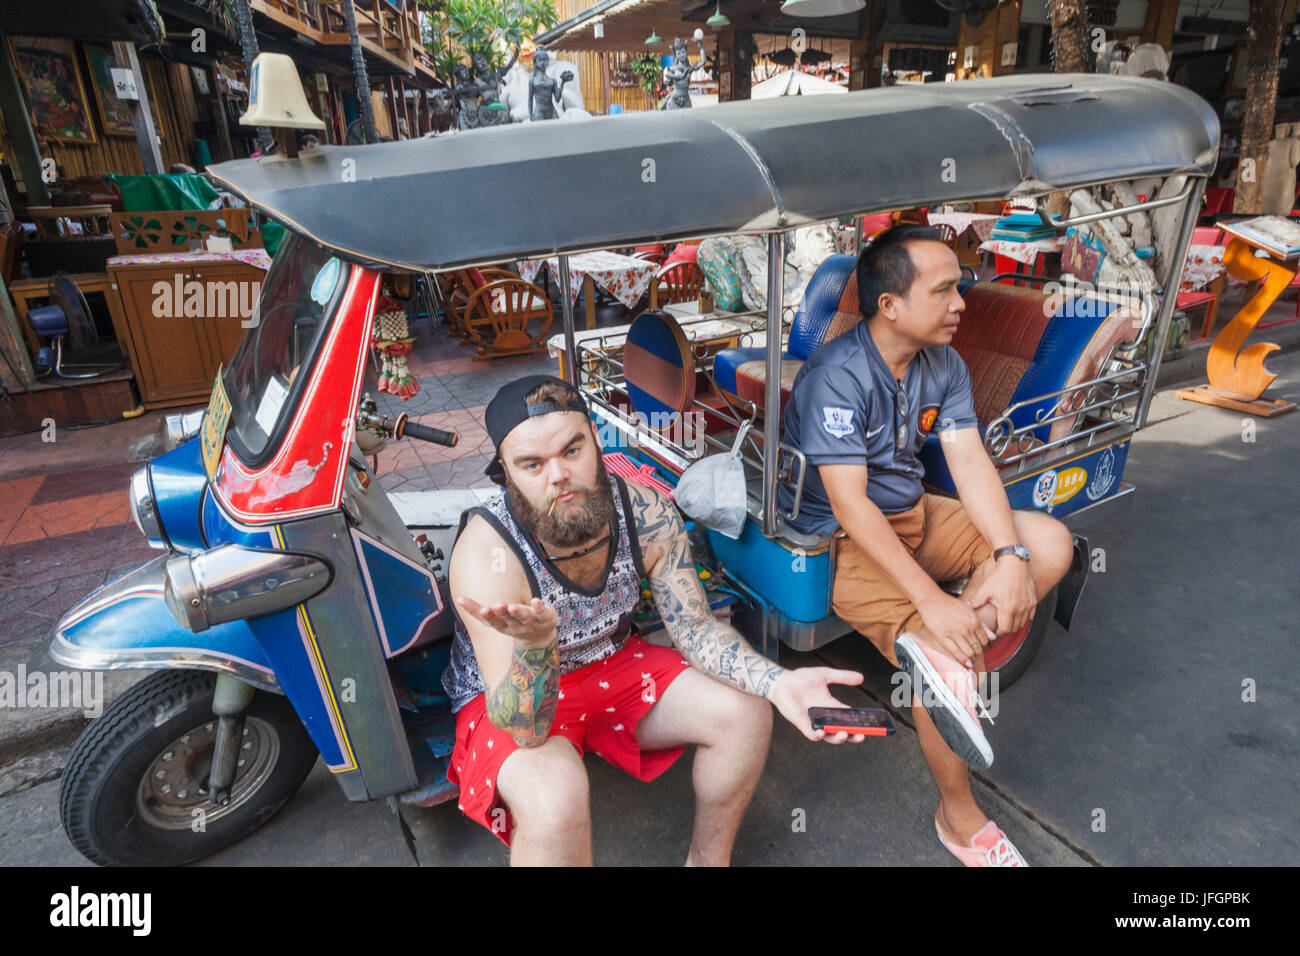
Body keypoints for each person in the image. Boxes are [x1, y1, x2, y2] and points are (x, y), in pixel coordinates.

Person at [443, 374, 865, 866]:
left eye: (571, 450)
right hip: (515, 696)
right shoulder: (487, 552)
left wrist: (778, 682)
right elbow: (523, 727)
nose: (557, 475)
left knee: (747, 714)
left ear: (596, 443)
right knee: (554, 799)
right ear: (506, 473)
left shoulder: (646, 512)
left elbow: (695, 628)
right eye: (532, 465)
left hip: (614, 665)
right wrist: (537, 646)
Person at [779, 224, 1075, 867]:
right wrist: (931, 603)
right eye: (944, 291)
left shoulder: (944, 362)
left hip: (917, 516)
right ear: (891, 305)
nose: (961, 303)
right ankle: (959, 815)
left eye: (959, 289)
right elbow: (850, 505)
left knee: (1050, 542)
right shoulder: (838, 374)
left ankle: (951, 655)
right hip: (843, 542)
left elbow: (969, 464)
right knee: (949, 650)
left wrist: (1008, 556)